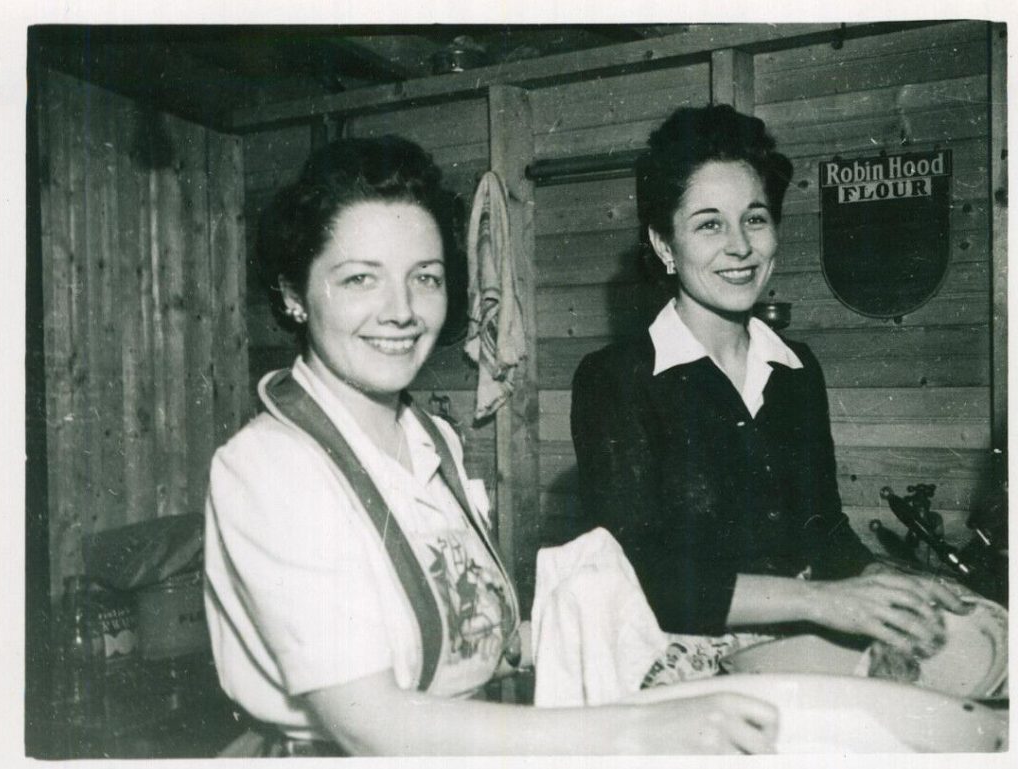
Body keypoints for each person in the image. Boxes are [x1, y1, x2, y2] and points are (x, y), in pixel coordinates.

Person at [203, 135, 779, 756]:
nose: (401, 311)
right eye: (359, 279)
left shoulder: (433, 442)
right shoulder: (271, 468)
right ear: (294, 294)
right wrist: (639, 728)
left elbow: (476, 644)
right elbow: (366, 721)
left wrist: (662, 657)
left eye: (424, 277)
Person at [570, 105, 968, 658]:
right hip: (673, 667)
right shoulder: (615, 380)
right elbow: (640, 577)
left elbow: (824, 531)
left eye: (754, 218)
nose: (740, 246)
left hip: (796, 650)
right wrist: (822, 603)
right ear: (664, 245)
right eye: (709, 224)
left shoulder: (796, 368)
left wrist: (889, 580)